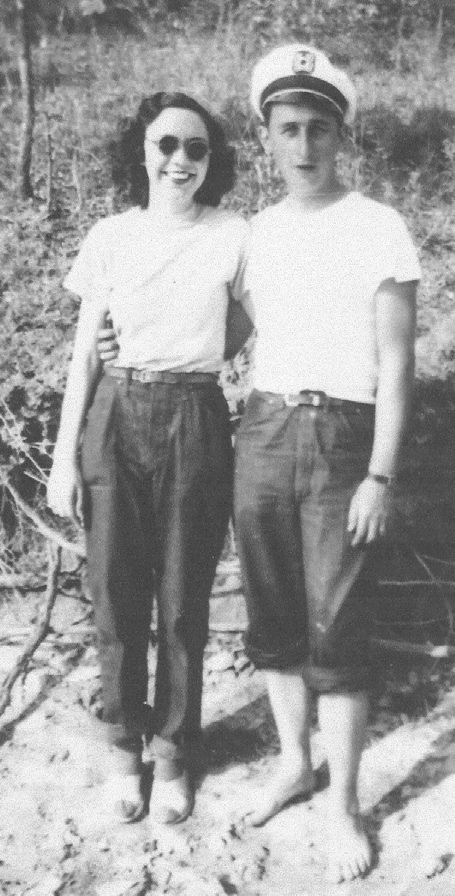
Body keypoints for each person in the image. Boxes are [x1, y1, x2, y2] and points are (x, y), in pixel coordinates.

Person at [233, 45, 420, 883]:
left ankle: (342, 803)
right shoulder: (254, 233)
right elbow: (228, 332)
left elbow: (396, 361)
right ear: (266, 138)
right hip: (264, 431)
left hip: (344, 437)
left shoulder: (377, 225)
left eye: (318, 128)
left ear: (341, 135)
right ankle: (293, 764)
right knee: (272, 615)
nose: (303, 145)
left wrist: (379, 474)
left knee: (337, 625)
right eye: (287, 129)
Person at [47, 91, 249, 825]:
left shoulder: (233, 234)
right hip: (115, 413)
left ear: (211, 160)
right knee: (115, 592)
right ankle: (121, 746)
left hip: (194, 416)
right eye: (166, 145)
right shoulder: (110, 236)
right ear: (142, 150)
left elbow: (246, 320)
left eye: (196, 148)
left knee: (184, 596)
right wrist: (64, 457)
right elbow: (83, 354)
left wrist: (195, 353)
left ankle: (172, 754)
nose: (180, 161)